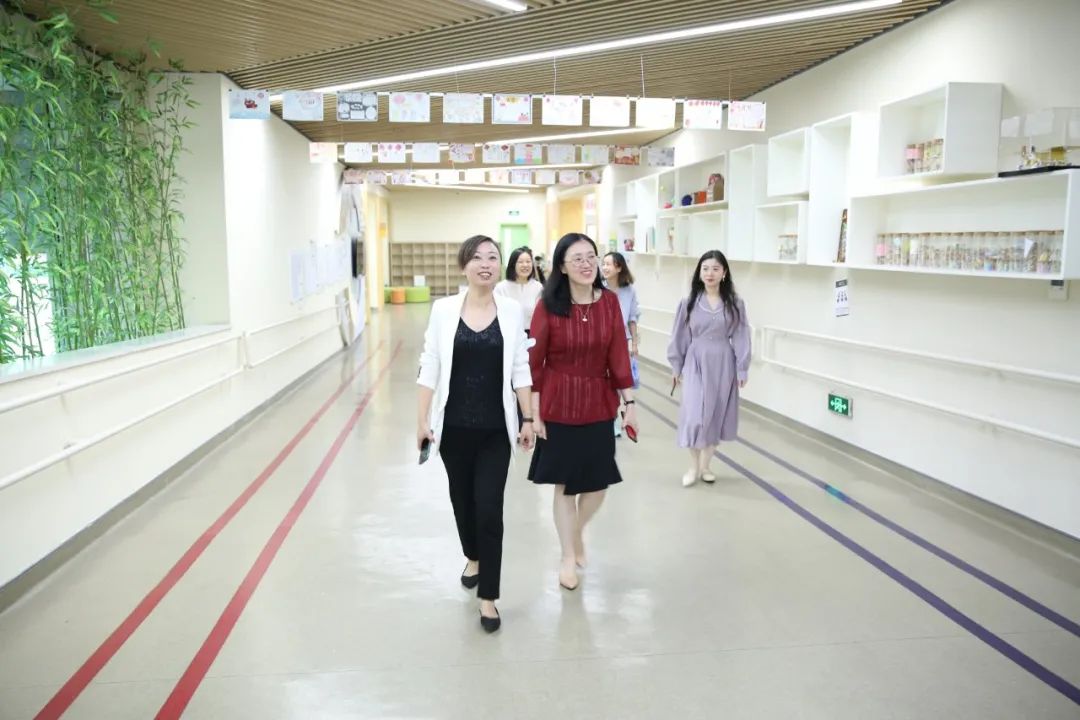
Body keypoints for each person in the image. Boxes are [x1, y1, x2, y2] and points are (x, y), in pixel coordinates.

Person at [417, 235, 535, 633]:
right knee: (462, 503)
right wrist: (421, 421)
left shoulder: (512, 311)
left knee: (489, 510)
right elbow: (430, 363)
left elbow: (520, 366)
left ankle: (489, 597)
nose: (486, 264)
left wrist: (528, 417)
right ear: (464, 265)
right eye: (477, 257)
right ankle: (472, 556)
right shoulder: (444, 309)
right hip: (453, 429)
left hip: (495, 431)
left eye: (493, 257)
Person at [528, 233, 638, 591]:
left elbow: (618, 356)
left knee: (599, 483)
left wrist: (630, 404)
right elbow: (534, 362)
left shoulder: (609, 303)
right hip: (558, 403)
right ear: (562, 266)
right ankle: (566, 557)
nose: (587, 264)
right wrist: (534, 412)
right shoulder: (548, 305)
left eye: (591, 256)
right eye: (577, 258)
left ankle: (574, 533)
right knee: (564, 485)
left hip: (598, 402)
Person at [666, 250, 751, 488]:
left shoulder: (735, 304)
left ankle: (705, 466)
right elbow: (679, 336)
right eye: (705, 269)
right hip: (695, 360)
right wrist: (676, 366)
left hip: (723, 362)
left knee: (715, 415)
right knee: (694, 414)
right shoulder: (688, 303)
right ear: (699, 272)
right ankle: (693, 466)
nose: (710, 273)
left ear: (724, 273)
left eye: (715, 268)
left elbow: (742, 335)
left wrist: (742, 368)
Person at [601, 252, 641, 436]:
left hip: (621, 341)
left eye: (609, 264)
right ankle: (606, 419)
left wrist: (634, 343)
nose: (605, 267)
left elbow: (632, 318)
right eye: (603, 264)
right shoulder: (598, 288)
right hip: (600, 342)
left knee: (618, 383)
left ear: (619, 268)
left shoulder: (629, 291)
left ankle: (614, 420)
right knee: (604, 382)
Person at [494, 246, 544, 335]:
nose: (525, 265)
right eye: (520, 262)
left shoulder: (538, 287)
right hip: (507, 334)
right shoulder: (501, 288)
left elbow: (541, 316)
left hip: (532, 334)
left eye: (528, 261)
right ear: (513, 265)